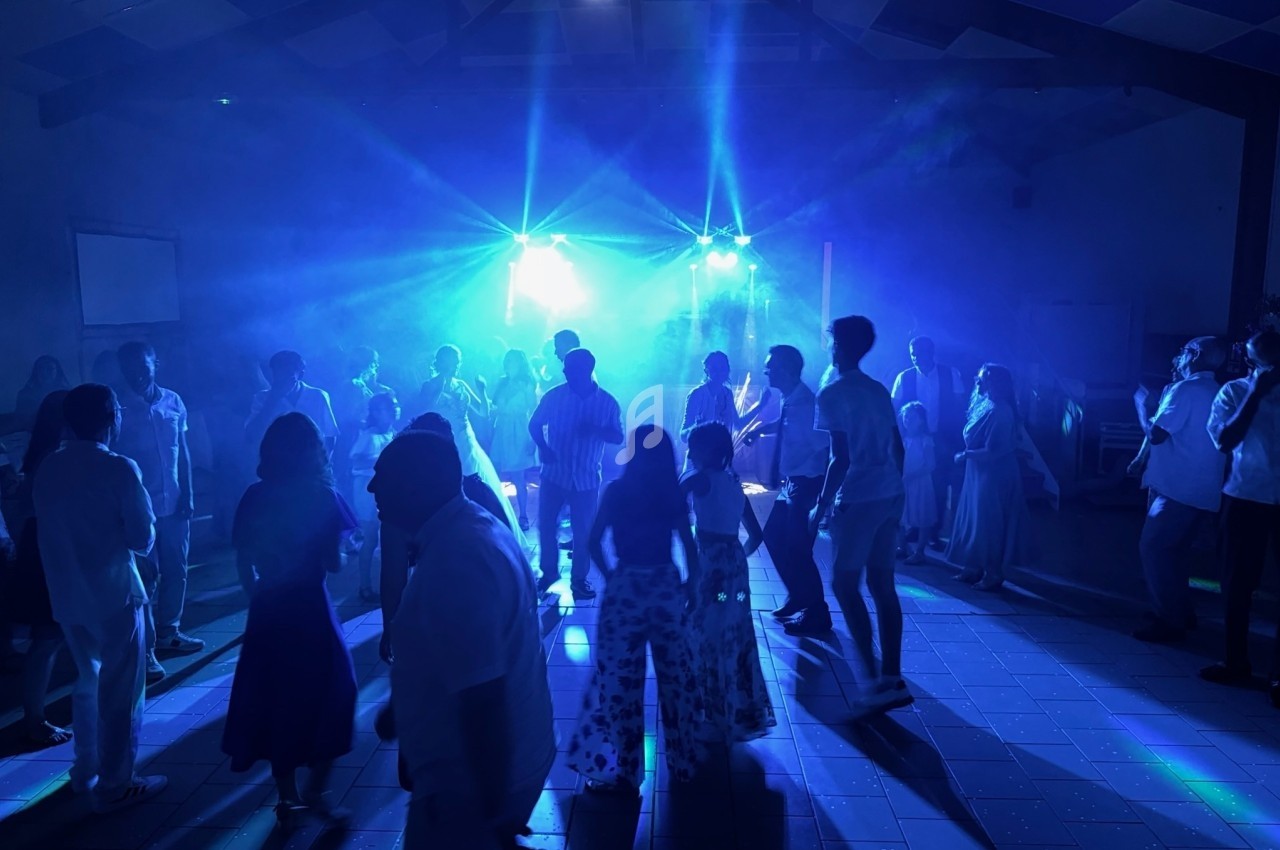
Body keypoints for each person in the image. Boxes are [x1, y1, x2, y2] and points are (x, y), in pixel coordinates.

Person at [370, 431, 555, 849]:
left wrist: (491, 814)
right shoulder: (474, 526)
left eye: (382, 477)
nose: (370, 487)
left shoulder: (456, 563)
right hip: (498, 768)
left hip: (466, 788)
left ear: (415, 486)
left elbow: (482, 699)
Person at [34, 383, 166, 812]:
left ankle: (84, 770)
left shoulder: (48, 468)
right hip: (114, 594)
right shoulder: (120, 468)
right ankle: (117, 780)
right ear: (113, 419)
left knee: (87, 683)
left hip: (68, 595)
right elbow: (142, 537)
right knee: (121, 691)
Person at [223, 413, 357, 830]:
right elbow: (334, 564)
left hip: (268, 606)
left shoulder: (254, 495)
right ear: (312, 451)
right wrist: (349, 549)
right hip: (309, 606)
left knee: (275, 697)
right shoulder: (322, 495)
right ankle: (318, 788)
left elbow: (243, 561)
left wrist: (258, 599)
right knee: (335, 691)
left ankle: (287, 797)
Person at [568, 424, 705, 793]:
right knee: (677, 680)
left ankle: (623, 771)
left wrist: (611, 576)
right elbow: (689, 547)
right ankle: (684, 763)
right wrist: (691, 586)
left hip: (626, 587)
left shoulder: (616, 491)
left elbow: (592, 541)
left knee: (619, 682)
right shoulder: (671, 494)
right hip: (664, 587)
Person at [810, 316, 911, 717]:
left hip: (859, 496)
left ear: (838, 347)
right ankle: (893, 675)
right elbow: (898, 447)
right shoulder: (877, 389)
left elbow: (841, 457)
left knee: (844, 583)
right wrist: (893, 489)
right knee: (883, 584)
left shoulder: (832, 393)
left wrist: (822, 504)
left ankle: (871, 680)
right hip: (890, 492)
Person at [114, 342, 202, 686]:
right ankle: (146, 648)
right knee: (144, 578)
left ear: (156, 363)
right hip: (140, 505)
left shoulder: (173, 400)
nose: (137, 372)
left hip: (175, 500)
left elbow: (183, 452)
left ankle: (170, 632)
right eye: (130, 366)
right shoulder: (117, 405)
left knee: (177, 569)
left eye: (144, 365)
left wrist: (189, 493)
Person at [1200, 330, 1280, 701]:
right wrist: (1256, 393)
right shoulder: (1233, 392)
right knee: (1237, 584)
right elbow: (1224, 441)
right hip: (1245, 498)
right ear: (1251, 361)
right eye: (1263, 358)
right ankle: (1236, 662)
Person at [1130, 337, 1226, 643]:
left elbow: (1157, 433)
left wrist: (1143, 409)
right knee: (1177, 552)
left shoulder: (1185, 389)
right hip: (1200, 487)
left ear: (1194, 355)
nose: (1178, 356)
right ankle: (1180, 610)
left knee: (1154, 548)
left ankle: (1168, 620)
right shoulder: (1217, 391)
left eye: (1184, 351)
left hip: (1175, 489)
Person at [682, 422, 774, 743]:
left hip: (711, 565)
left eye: (694, 447)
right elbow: (758, 534)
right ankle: (737, 706)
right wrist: (736, 558)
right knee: (733, 631)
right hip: (732, 563)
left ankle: (706, 703)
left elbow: (672, 497)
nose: (689, 453)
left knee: (702, 628)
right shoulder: (735, 484)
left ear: (708, 451)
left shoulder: (699, 479)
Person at [740, 344, 832, 635]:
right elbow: (785, 425)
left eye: (772, 366)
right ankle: (797, 595)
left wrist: (818, 494)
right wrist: (760, 430)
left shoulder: (807, 405)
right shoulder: (792, 399)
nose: (767, 370)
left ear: (789, 370)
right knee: (773, 536)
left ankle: (817, 612)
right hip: (793, 482)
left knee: (798, 549)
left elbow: (825, 445)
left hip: (805, 484)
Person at [528, 348, 624, 600]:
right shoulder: (554, 397)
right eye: (566, 369)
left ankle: (579, 581)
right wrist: (543, 448)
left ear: (588, 369)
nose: (566, 373)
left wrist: (595, 429)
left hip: (587, 477)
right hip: (554, 474)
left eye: (571, 369)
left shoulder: (607, 402)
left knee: (584, 531)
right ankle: (548, 574)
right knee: (548, 526)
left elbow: (618, 436)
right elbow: (534, 424)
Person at [6, 390, 73, 747]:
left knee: (49, 638)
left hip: (38, 544)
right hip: (48, 547)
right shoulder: (56, 456)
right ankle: (34, 719)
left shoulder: (40, 452)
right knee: (47, 639)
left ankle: (36, 716)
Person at [417, 345, 524, 540]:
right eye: (452, 361)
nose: (456, 365)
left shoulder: (461, 384)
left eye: (458, 361)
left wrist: (482, 390)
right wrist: (441, 382)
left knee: (475, 484)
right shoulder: (429, 385)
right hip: (443, 441)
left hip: (466, 440)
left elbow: (483, 412)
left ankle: (479, 529)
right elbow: (423, 410)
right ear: (441, 362)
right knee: (451, 483)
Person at [946, 364, 1034, 591]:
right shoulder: (985, 403)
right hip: (978, 472)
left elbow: (993, 451)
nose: (979, 382)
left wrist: (965, 455)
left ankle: (993, 572)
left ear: (997, 383)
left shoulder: (1001, 411)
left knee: (989, 521)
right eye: (980, 377)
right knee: (975, 518)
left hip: (994, 473)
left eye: (985, 379)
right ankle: (973, 566)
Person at [890, 337, 965, 546]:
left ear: (930, 352)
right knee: (913, 485)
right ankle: (915, 527)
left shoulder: (951, 373)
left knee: (938, 485)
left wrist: (955, 438)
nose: (914, 357)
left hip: (942, 438)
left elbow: (959, 407)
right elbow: (895, 408)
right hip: (912, 438)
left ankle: (934, 530)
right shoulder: (904, 377)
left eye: (918, 352)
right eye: (912, 353)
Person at [349, 393, 400, 603]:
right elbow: (357, 462)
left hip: (388, 489)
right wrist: (382, 459)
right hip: (367, 490)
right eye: (377, 410)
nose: (381, 413)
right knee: (370, 538)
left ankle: (391, 585)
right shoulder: (368, 436)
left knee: (389, 538)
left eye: (384, 409)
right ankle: (364, 586)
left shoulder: (394, 434)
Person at [332, 346, 396, 507]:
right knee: (354, 482)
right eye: (374, 364)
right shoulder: (353, 386)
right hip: (354, 438)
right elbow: (346, 416)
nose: (376, 368)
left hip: (371, 439)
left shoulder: (372, 388)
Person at [245, 350, 339, 456]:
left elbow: (330, 434)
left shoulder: (318, 396)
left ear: (301, 375)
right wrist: (272, 400)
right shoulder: (262, 398)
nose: (283, 381)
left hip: (311, 462)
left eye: (288, 376)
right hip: (277, 461)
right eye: (278, 376)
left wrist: (325, 463)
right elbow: (251, 434)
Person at [489, 349, 540, 532]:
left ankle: (523, 515)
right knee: (494, 473)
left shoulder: (527, 383)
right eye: (507, 360)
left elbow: (535, 411)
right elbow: (493, 407)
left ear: (521, 363)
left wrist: (533, 438)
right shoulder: (502, 382)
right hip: (502, 429)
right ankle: (498, 513)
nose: (510, 364)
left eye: (513, 361)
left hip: (519, 430)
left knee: (518, 476)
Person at [679, 351, 770, 443]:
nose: (719, 372)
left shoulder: (727, 394)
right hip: (700, 455)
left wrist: (760, 405)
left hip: (722, 455)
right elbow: (683, 436)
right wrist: (697, 428)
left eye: (723, 368)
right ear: (706, 370)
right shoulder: (697, 394)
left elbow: (738, 424)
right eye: (715, 368)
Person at [898, 402, 938, 566]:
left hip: (920, 482)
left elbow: (930, 464)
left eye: (912, 417)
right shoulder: (902, 439)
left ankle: (920, 551)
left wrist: (912, 475)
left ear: (921, 420)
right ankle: (903, 546)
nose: (908, 420)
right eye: (906, 416)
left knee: (923, 515)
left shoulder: (925, 440)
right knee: (899, 515)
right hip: (903, 481)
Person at [14, 355, 71, 429]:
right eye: (41, 369)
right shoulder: (25, 395)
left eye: (50, 368)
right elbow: (20, 420)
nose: (44, 373)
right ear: (35, 372)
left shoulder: (67, 394)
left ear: (58, 372)